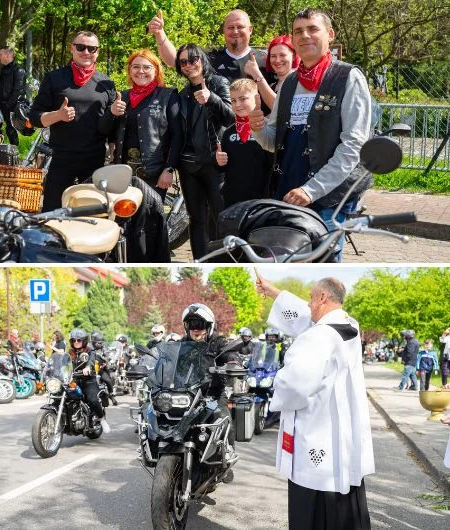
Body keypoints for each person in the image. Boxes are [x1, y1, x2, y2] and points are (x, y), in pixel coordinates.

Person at [249, 8, 374, 263]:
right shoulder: (289, 82)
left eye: (312, 29)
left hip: (330, 195)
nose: (305, 35)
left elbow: (353, 145)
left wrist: (311, 190)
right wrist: (258, 128)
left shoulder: (348, 77)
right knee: (289, 260)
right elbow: (273, 141)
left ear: (329, 34)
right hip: (288, 192)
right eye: (298, 31)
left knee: (323, 260)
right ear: (293, 40)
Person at [257, 273, 373, 530]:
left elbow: (294, 386)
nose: (307, 304)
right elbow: (304, 315)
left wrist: (277, 391)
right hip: (341, 441)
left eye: (311, 297)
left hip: (316, 435)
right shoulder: (350, 326)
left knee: (314, 512)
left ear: (322, 298)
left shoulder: (317, 338)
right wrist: (273, 291)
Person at [29, 31, 117, 212]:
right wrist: (58, 115)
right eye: (81, 47)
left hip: (95, 159)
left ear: (97, 52)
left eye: (92, 48)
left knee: (93, 214)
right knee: (52, 213)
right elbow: (34, 117)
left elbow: (112, 126)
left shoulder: (106, 83)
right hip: (62, 158)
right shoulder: (54, 78)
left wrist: (114, 150)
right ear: (71, 49)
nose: (86, 52)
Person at [174, 44, 234, 259]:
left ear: (202, 60)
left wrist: (212, 99)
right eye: (183, 62)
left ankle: (226, 261)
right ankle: (200, 261)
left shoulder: (219, 83)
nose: (189, 65)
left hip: (213, 163)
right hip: (188, 165)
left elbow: (231, 118)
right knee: (196, 219)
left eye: (193, 59)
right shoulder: (182, 94)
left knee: (222, 217)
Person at [101, 49, 181, 200]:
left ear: (156, 70)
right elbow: (105, 130)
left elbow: (177, 136)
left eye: (147, 67)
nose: (141, 71)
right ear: (129, 70)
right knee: (123, 216)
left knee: (150, 218)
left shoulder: (168, 96)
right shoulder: (122, 96)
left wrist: (169, 169)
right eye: (136, 66)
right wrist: (111, 112)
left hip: (154, 172)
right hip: (123, 171)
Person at [149, 9, 274, 86]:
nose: (235, 31)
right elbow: (173, 60)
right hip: (218, 128)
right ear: (224, 30)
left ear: (250, 29)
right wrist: (160, 33)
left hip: (257, 127)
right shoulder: (210, 58)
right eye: (230, 27)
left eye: (240, 27)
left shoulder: (266, 59)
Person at [180, 303, 238, 466]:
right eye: (191, 324)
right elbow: (167, 360)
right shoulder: (182, 344)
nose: (195, 329)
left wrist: (233, 361)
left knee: (223, 419)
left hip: (211, 396)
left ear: (208, 326)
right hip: (186, 395)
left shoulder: (218, 342)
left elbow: (229, 352)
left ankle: (227, 453)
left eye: (199, 324)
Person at [216, 78, 272, 208]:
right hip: (233, 200)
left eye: (243, 99)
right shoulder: (228, 132)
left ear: (257, 98)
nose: (237, 104)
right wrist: (218, 161)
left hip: (262, 200)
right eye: (233, 100)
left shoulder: (268, 128)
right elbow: (222, 167)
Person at [67, 328, 110, 433]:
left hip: (88, 380)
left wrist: (88, 368)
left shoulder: (90, 351)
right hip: (74, 380)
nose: (76, 342)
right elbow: (64, 362)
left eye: (78, 340)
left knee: (92, 399)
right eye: (73, 340)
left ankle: (102, 419)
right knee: (60, 393)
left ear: (84, 340)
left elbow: (91, 360)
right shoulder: (70, 352)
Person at [245, 35, 300, 110]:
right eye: (273, 56)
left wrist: (257, 75)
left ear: (293, 56)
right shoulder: (274, 85)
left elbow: (279, 108)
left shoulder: (298, 81)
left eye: (282, 55)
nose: (277, 60)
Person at [0, 47, 27, 146]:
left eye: (0, 54)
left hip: (12, 105)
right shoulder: (4, 69)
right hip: (0, 104)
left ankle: (14, 151)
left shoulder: (19, 70)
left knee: (10, 129)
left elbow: (18, 90)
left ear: (8, 55)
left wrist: (8, 104)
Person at [90, 330, 118, 406]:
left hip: (100, 369)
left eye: (102, 343)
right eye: (99, 343)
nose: (101, 344)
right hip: (90, 370)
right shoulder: (89, 348)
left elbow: (107, 356)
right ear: (93, 341)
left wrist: (106, 361)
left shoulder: (103, 348)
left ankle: (111, 396)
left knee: (108, 380)